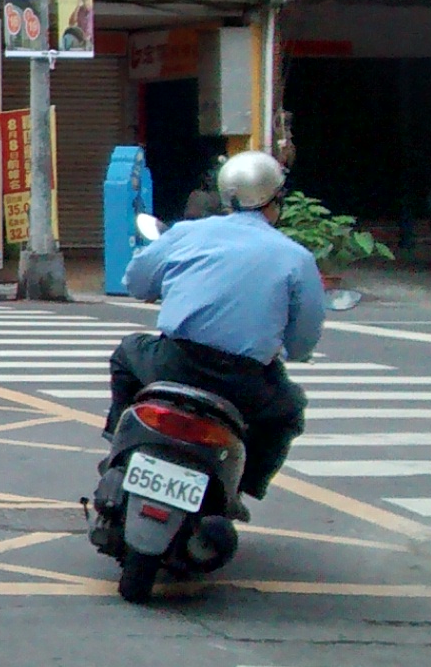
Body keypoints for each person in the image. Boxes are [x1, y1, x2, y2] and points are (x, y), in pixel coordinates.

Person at [111, 150, 322, 513]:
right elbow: (303, 337)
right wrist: (294, 351)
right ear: (275, 200)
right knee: (289, 411)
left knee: (126, 354)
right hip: (243, 384)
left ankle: (118, 440)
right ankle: (243, 489)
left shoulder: (187, 233)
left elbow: (136, 281)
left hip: (173, 364)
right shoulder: (295, 257)